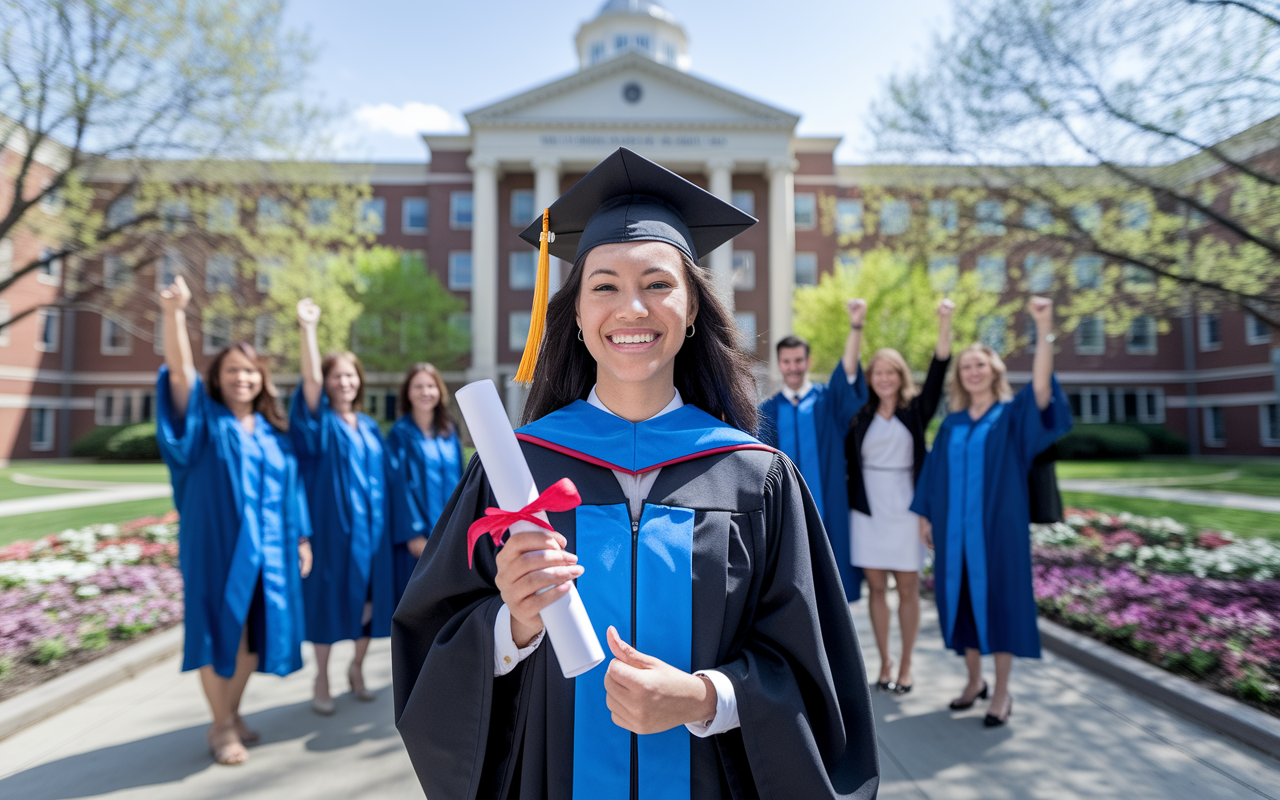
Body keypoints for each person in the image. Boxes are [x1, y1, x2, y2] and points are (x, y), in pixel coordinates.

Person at [392, 148, 879, 799]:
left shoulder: (756, 479)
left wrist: (704, 698)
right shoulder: (516, 472)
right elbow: (431, 650)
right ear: (577, 315)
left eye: (657, 284)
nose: (632, 309)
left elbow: (816, 677)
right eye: (605, 286)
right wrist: (512, 625)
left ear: (694, 308)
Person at [154, 276, 311, 766]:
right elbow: (179, 373)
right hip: (217, 547)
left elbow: (293, 490)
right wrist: (175, 313)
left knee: (251, 632)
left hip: (269, 548)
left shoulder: (272, 432)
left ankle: (232, 712)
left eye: (250, 371)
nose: (243, 378)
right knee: (216, 630)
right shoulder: (203, 422)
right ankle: (219, 726)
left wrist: (302, 538)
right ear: (217, 379)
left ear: (262, 379)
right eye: (232, 371)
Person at [910, 296, 1072, 727]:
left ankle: (1001, 692)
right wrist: (925, 516)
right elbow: (933, 476)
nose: (973, 372)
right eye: (967, 368)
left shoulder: (1011, 417)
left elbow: (1041, 391)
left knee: (1000, 603)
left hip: (998, 533)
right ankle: (973, 681)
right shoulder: (952, 425)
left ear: (994, 371)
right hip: (954, 533)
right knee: (960, 603)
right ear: (961, 378)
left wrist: (1043, 328)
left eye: (980, 365)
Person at [291, 300, 394, 715]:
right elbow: (310, 383)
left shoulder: (369, 426)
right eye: (336, 376)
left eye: (350, 375)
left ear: (359, 381)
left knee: (370, 603)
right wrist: (308, 329)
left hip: (373, 534)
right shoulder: (319, 422)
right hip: (332, 531)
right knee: (327, 602)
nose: (344, 382)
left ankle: (356, 668)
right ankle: (321, 678)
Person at [846, 299, 954, 695]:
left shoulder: (916, 411)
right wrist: (855, 325)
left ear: (901, 375)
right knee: (877, 589)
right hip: (868, 510)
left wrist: (944, 320)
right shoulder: (859, 414)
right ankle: (885, 662)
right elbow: (847, 372)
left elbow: (941, 368)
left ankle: (906, 666)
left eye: (891, 371)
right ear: (871, 377)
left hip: (907, 509)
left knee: (907, 588)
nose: (885, 378)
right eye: (878, 372)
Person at [758, 309, 867, 602]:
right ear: (779, 364)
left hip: (829, 506)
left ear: (808, 361)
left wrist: (856, 326)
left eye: (798, 360)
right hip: (786, 512)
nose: (793, 367)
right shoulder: (767, 412)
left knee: (833, 591)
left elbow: (848, 373)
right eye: (787, 361)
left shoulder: (827, 402)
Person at [384, 362, 464, 603]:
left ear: (439, 391)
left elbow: (462, 481)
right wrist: (413, 533)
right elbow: (399, 487)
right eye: (418, 386)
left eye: (430, 386)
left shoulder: (449, 432)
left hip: (451, 531)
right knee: (419, 603)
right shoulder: (400, 434)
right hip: (419, 537)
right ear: (408, 393)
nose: (425, 392)